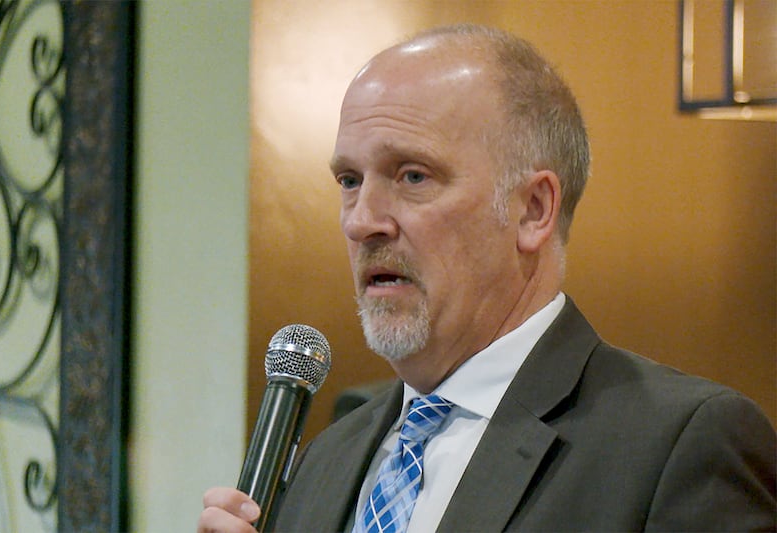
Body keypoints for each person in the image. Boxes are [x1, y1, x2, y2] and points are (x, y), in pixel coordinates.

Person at [198, 24, 776, 532]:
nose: (361, 221)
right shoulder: (330, 456)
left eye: (413, 176)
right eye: (349, 180)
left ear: (532, 210)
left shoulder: (679, 444)